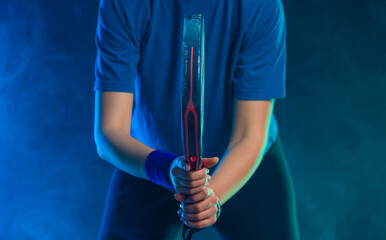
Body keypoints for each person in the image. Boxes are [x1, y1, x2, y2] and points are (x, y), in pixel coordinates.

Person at [93, 0, 300, 239]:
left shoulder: (259, 5)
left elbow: (249, 135)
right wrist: (166, 168)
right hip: (149, 162)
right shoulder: (124, 4)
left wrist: (209, 196)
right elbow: (108, 131)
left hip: (243, 164)